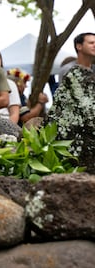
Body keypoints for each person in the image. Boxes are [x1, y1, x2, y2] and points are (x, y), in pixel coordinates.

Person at [47, 32, 95, 172]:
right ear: (79, 46)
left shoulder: (92, 70)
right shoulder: (69, 70)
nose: (94, 45)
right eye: (91, 43)